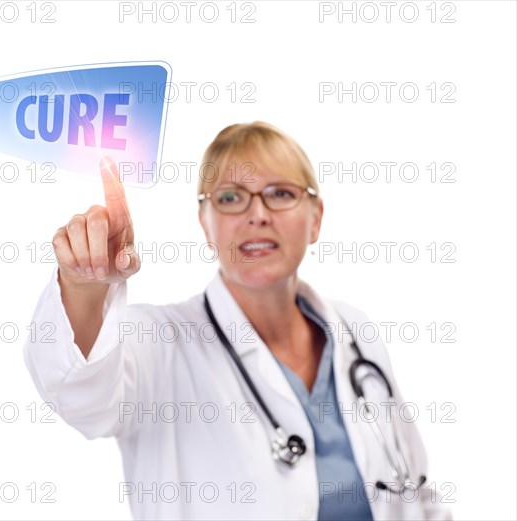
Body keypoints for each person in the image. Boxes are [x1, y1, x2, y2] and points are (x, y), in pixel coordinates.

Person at [24, 122, 451, 520]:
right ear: (205, 225)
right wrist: (84, 284)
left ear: (316, 218)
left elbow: (419, 491)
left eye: (280, 193)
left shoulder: (354, 330)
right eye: (230, 198)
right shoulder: (161, 343)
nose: (257, 213)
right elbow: (83, 395)